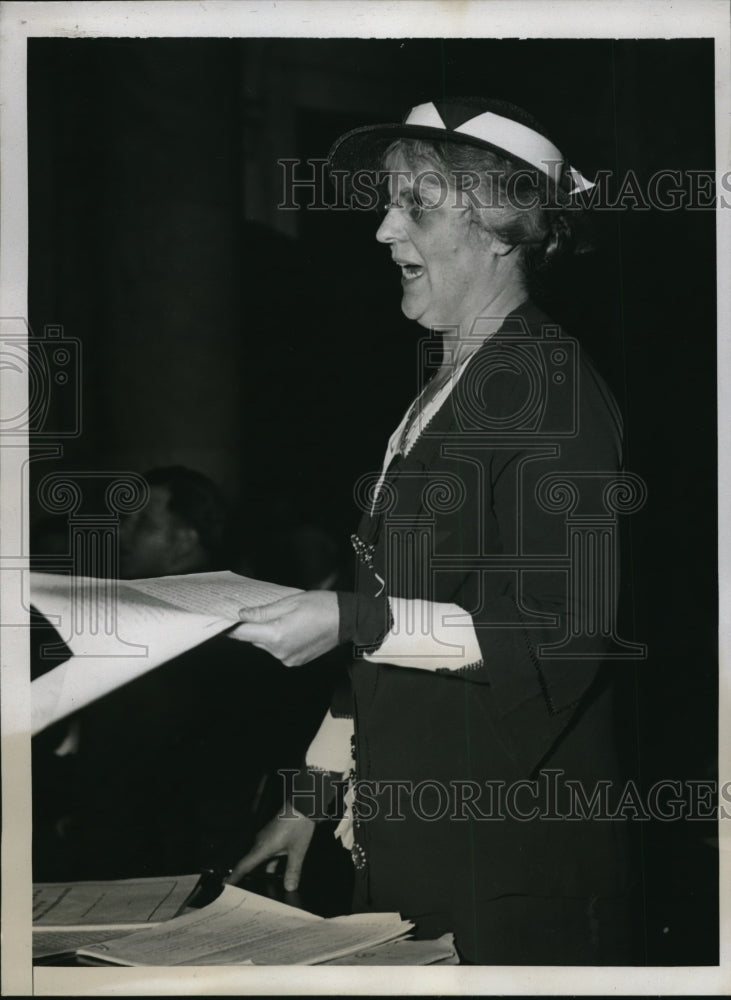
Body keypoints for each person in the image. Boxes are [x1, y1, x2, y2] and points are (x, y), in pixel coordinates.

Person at [227, 97, 635, 964]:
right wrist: (313, 791)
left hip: (504, 860)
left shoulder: (548, 386)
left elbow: (561, 633)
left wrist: (348, 618)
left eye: (414, 203)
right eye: (387, 201)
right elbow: (393, 617)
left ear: (501, 227)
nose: (381, 229)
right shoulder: (447, 387)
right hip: (413, 842)